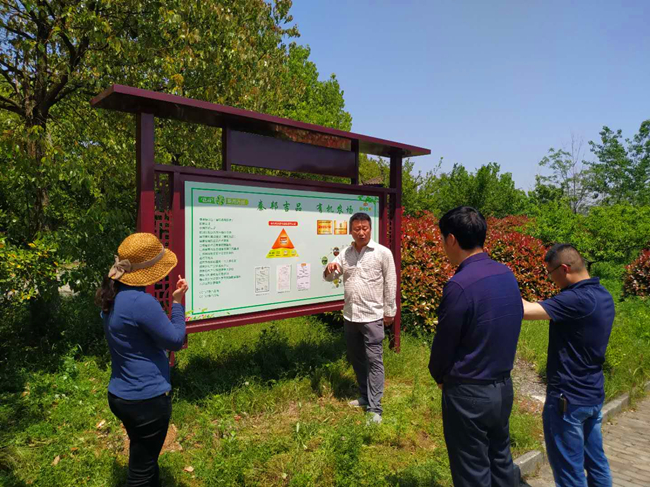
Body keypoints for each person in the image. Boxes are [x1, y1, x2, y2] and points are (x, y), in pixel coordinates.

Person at [428, 206, 523, 487]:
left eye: (442, 238)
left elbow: (444, 344)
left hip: (468, 393)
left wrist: (440, 375)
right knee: (501, 463)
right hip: (502, 388)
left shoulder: (459, 285)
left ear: (451, 239)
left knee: (472, 472)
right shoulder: (505, 274)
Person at [96, 232, 188, 487]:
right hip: (146, 400)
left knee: (144, 454)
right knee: (140, 475)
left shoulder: (111, 297)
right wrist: (177, 303)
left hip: (120, 394)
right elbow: (175, 340)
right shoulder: (141, 302)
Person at [522, 244, 614, 487]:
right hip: (592, 394)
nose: (551, 280)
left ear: (564, 269)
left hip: (568, 399)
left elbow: (525, 310)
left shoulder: (576, 298)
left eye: (550, 273)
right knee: (597, 463)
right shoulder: (602, 294)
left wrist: (500, 282)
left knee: (569, 474)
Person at [323, 212, 397, 424]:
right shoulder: (345, 254)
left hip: (372, 315)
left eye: (365, 228)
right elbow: (331, 276)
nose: (361, 232)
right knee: (357, 358)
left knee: (374, 360)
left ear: (370, 229)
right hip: (350, 315)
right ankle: (365, 396)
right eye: (357, 229)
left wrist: (390, 311)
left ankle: (375, 407)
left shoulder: (382, 253)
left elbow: (390, 282)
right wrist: (329, 269)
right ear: (351, 231)